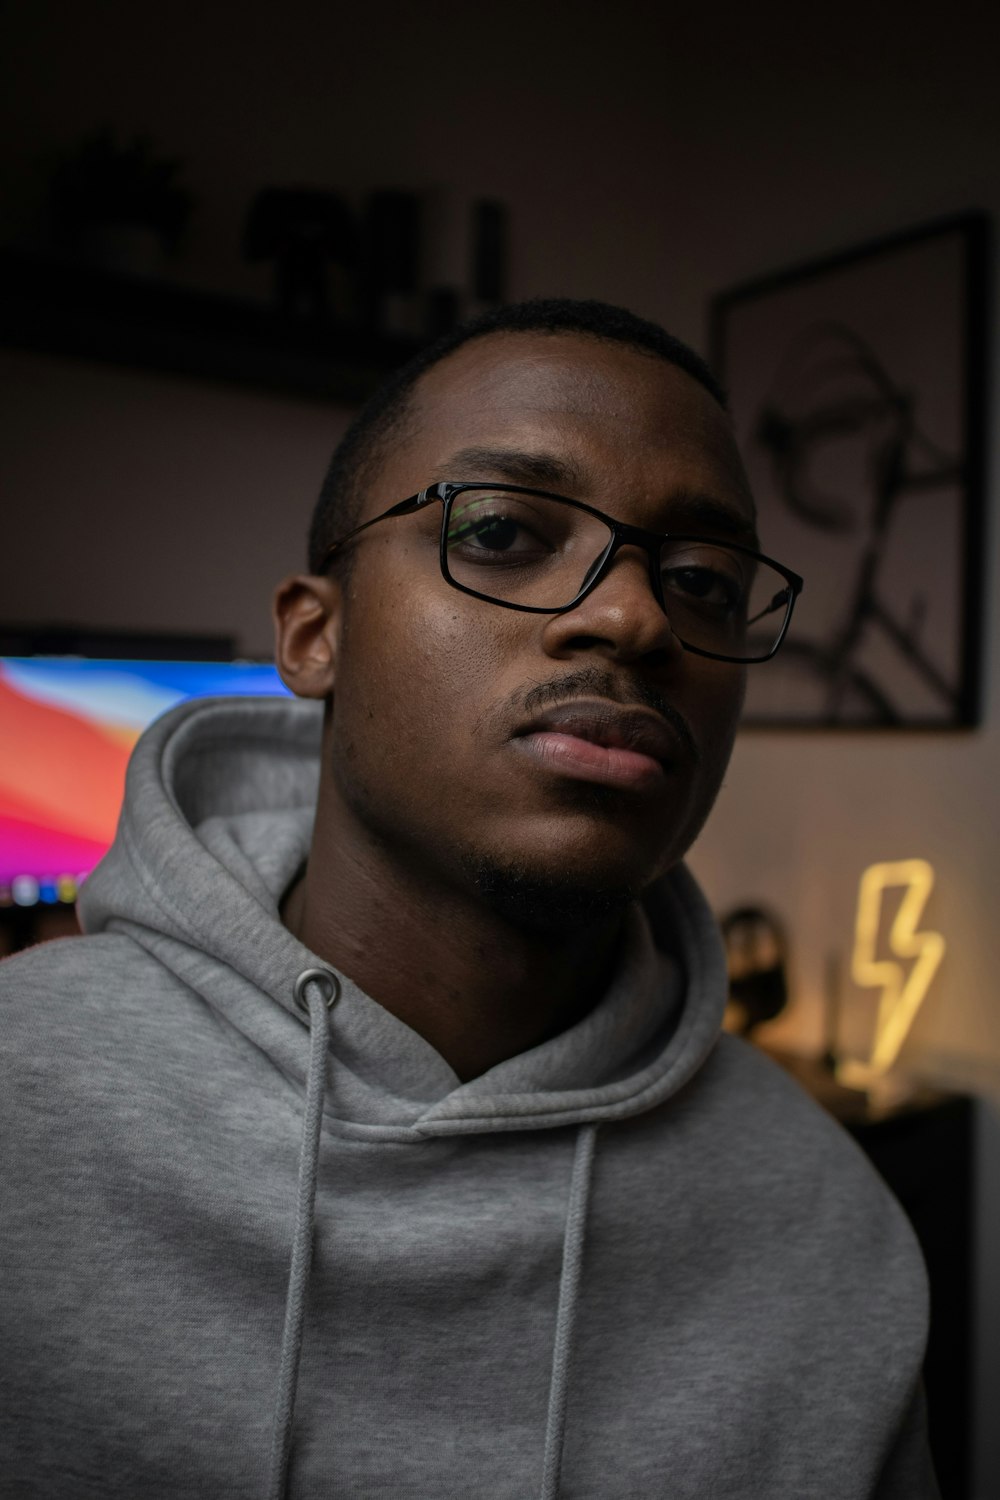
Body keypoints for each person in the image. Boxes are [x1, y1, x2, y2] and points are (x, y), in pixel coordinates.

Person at [0, 299, 939, 1498]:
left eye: (704, 580)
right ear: (312, 634)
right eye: (499, 532)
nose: (633, 615)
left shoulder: (829, 1229)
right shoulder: (22, 1101)